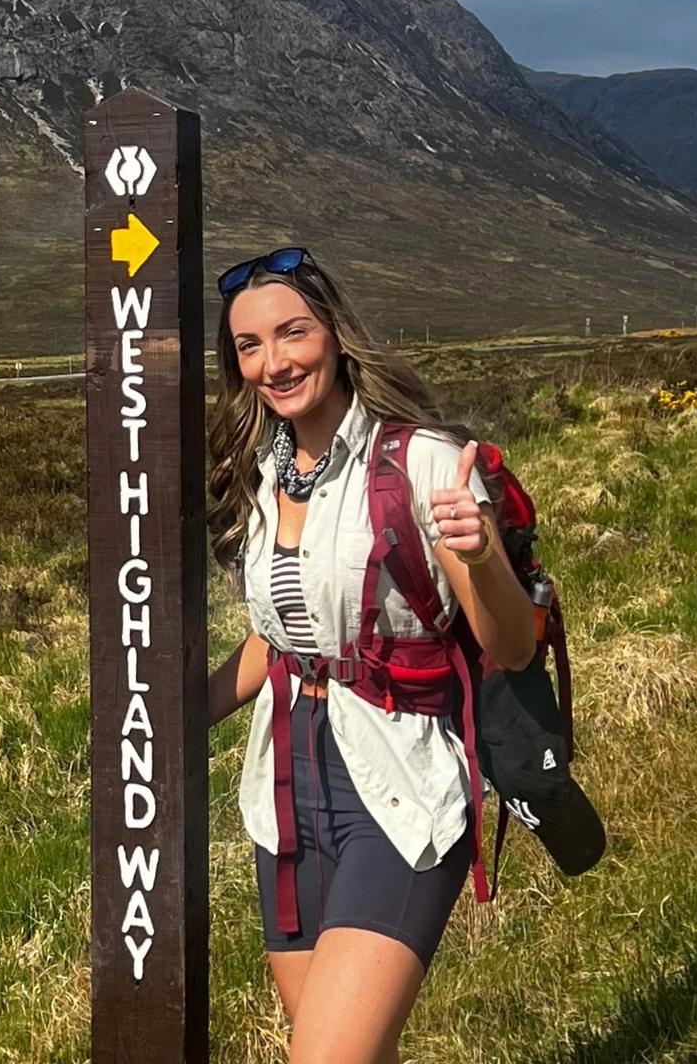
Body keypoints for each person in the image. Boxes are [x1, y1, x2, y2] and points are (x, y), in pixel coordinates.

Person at [204, 247, 538, 1064]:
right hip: (283, 789)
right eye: (250, 346)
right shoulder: (261, 475)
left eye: (293, 333)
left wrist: (484, 552)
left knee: (326, 1058)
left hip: (399, 786)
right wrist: (173, 716)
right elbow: (280, 640)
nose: (274, 363)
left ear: (336, 334)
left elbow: (514, 644)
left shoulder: (420, 462)